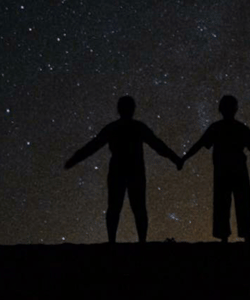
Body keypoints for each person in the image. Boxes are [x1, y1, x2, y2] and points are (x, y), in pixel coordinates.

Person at [64, 96, 182, 243]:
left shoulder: (114, 128)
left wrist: (74, 160)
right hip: (134, 171)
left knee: (116, 207)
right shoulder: (138, 127)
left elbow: (93, 146)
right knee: (136, 207)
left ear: (119, 109)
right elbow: (158, 145)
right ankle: (140, 242)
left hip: (119, 170)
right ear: (133, 109)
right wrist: (175, 158)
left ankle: (113, 242)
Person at [182, 95, 250, 243]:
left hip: (223, 172)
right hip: (238, 170)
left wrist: (183, 159)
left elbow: (200, 144)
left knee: (223, 204)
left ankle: (225, 239)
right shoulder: (240, 128)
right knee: (241, 203)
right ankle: (246, 238)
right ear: (235, 109)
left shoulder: (217, 128)